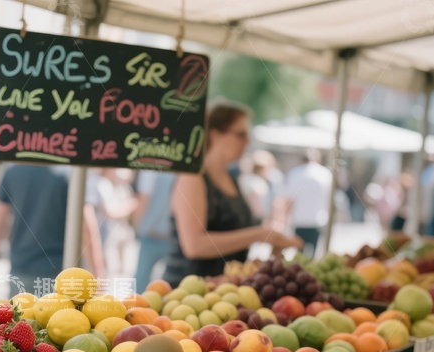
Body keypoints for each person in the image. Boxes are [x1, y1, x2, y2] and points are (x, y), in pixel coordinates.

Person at [163, 102, 302, 286]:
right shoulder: (192, 178)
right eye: (241, 134)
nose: (247, 141)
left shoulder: (231, 178)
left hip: (224, 291)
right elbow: (193, 245)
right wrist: (259, 235)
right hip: (188, 290)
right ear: (215, 134)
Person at [0, 164, 105, 296]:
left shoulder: (13, 171)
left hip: (22, 274)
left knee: (20, 310)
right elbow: (87, 227)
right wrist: (99, 277)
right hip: (63, 275)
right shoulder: (74, 171)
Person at [274, 149, 332, 257]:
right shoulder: (324, 174)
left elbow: (289, 201)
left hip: (300, 221)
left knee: (299, 255)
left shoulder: (294, 173)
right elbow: (330, 199)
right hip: (317, 221)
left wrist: (285, 222)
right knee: (312, 255)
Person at [133, 170, 175, 292]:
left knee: (141, 280)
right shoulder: (178, 171)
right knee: (168, 284)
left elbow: (143, 200)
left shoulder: (149, 172)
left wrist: (136, 227)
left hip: (150, 235)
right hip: (171, 236)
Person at [96, 168, 137, 277]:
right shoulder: (103, 185)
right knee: (111, 268)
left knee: (125, 269)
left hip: (123, 232)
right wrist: (129, 207)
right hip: (109, 235)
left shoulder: (123, 188)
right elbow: (110, 213)